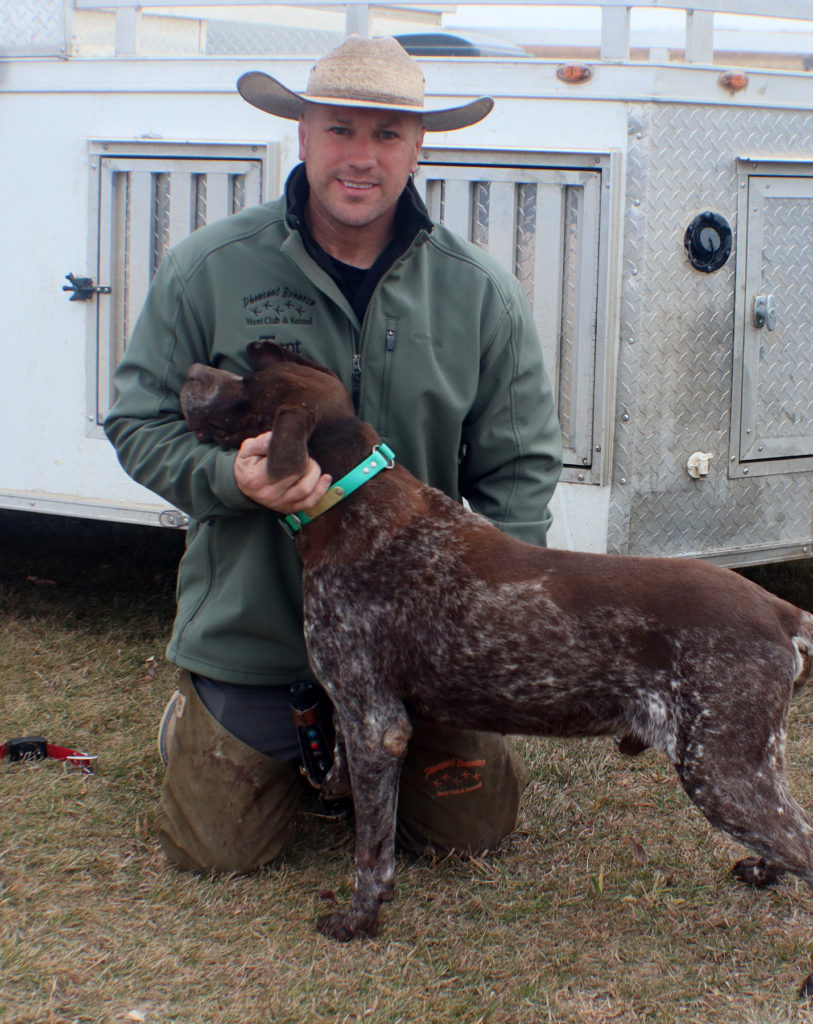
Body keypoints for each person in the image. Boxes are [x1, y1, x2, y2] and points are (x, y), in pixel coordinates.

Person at [104, 35, 562, 874]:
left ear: (419, 148)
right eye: (340, 129)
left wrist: (482, 598)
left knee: (472, 837)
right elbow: (136, 421)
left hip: (428, 639)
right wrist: (228, 480)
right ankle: (205, 718)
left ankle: (379, 750)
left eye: (387, 135)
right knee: (220, 854)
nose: (361, 156)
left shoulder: (481, 291)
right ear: (303, 135)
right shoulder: (207, 268)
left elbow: (523, 463)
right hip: (259, 630)